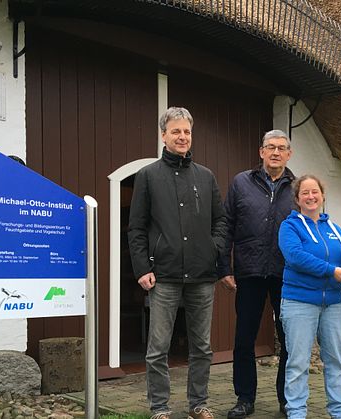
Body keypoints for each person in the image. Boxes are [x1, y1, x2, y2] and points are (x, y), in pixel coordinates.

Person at [127, 107, 226, 419]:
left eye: (187, 132)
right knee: (158, 348)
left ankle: (199, 404)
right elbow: (137, 228)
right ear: (163, 135)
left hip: (201, 275)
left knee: (202, 348)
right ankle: (159, 408)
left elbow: (221, 222)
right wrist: (142, 267)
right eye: (176, 131)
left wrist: (214, 249)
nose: (182, 137)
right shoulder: (148, 176)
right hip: (164, 276)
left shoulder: (206, 176)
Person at [220, 130, 295, 418]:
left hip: (286, 274)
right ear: (261, 152)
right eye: (270, 147)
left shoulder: (298, 186)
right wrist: (224, 267)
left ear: (289, 154)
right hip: (249, 272)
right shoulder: (241, 182)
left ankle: (287, 398)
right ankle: (245, 398)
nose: (275, 152)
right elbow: (226, 225)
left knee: (288, 338)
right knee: (244, 339)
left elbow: (311, 226)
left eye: (281, 148)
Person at [278, 174, 341, 419]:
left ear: (322, 196)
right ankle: (297, 414)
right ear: (297, 199)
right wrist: (331, 270)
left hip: (333, 304)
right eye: (305, 193)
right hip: (299, 303)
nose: (311, 197)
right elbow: (295, 256)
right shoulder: (289, 226)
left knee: (336, 362)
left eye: (315, 192)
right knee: (298, 364)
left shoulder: (334, 228)